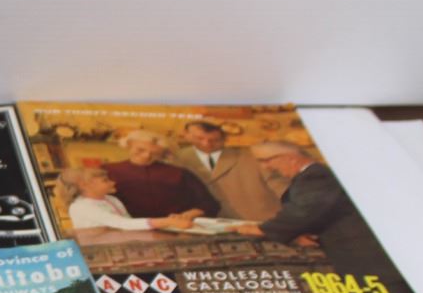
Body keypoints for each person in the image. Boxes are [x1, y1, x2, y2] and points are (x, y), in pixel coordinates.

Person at [233, 141, 398, 283]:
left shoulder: (316, 176)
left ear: (290, 157)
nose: (266, 167)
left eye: (266, 160)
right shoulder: (313, 176)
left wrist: (263, 229)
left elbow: (304, 210)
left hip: (366, 258)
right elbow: (324, 212)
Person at [171, 120, 282, 222]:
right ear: (186, 135)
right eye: (199, 138)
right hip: (206, 226)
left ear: (225, 138)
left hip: (262, 223)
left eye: (215, 140)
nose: (206, 144)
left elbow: (283, 188)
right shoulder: (176, 159)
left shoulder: (253, 157)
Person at [102, 130, 218, 219]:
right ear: (128, 145)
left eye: (155, 153)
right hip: (124, 228)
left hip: (172, 228)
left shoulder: (179, 173)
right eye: (141, 149)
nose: (146, 156)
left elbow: (209, 204)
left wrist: (188, 215)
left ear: (163, 154)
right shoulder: (107, 170)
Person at [58, 167, 200, 232]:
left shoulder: (111, 199)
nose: (112, 182)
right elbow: (123, 224)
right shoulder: (82, 207)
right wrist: (166, 221)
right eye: (105, 180)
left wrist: (169, 222)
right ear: (84, 185)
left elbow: (129, 223)